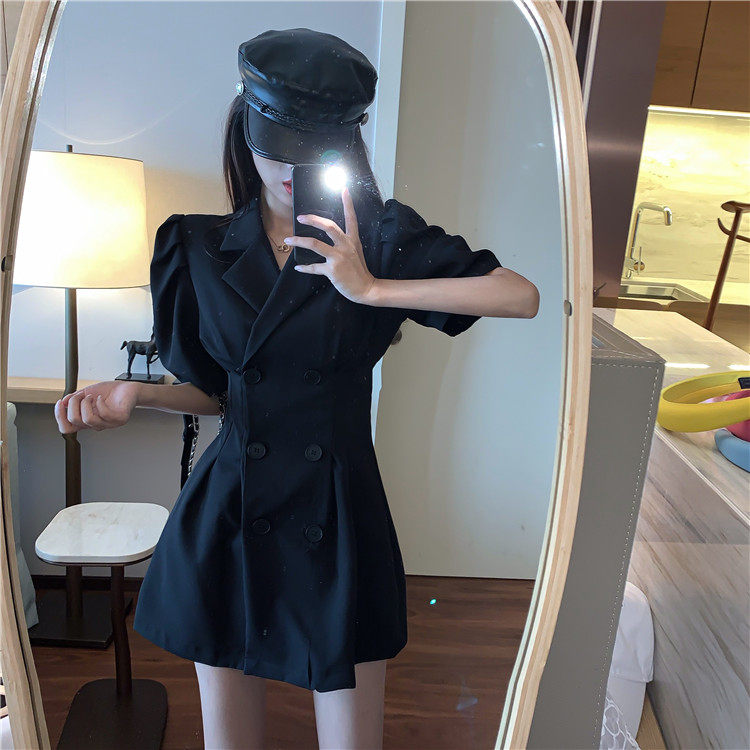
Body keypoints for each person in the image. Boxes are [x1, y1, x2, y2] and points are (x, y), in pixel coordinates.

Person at [54, 27, 539, 750]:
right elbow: (220, 394)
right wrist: (138, 394)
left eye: (315, 150)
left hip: (337, 514)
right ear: (245, 131)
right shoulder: (196, 246)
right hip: (230, 513)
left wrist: (370, 288)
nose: (290, 168)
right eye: (276, 145)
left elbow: (519, 295)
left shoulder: (379, 238)